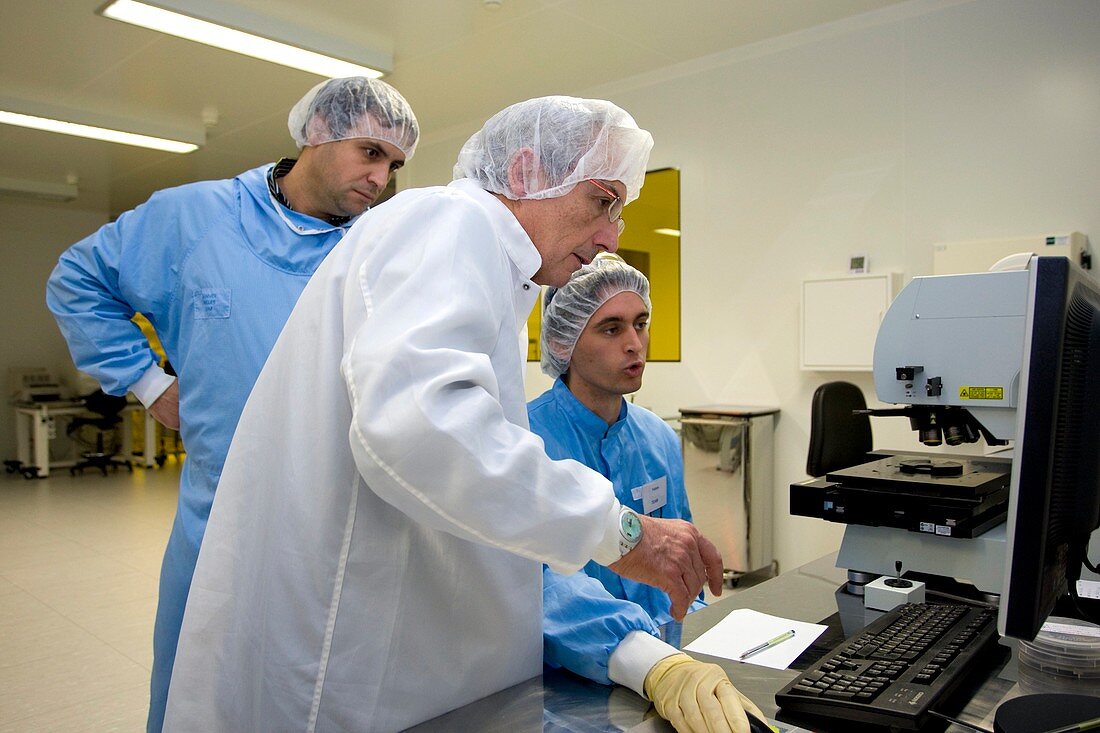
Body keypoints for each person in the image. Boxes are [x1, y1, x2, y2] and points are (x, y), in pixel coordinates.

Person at [162, 95, 725, 732]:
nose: (610, 238)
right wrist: (617, 533)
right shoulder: (450, 224)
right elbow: (419, 425)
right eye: (602, 202)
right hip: (343, 660)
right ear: (523, 173)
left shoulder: (490, 266)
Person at [44, 77, 419, 733]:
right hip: (222, 514)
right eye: (369, 152)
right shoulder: (192, 218)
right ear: (317, 133)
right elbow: (80, 281)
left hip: (345, 517)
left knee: (327, 693)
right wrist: (150, 383)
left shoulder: (377, 246)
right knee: (203, 687)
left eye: (393, 165)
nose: (380, 177)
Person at [533, 254, 767, 733]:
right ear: (564, 340)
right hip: (569, 686)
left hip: (671, 676)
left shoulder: (657, 437)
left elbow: (679, 561)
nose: (635, 344)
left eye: (641, 324)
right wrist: (645, 659)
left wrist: (697, 642)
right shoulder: (526, 441)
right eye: (611, 329)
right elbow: (537, 585)